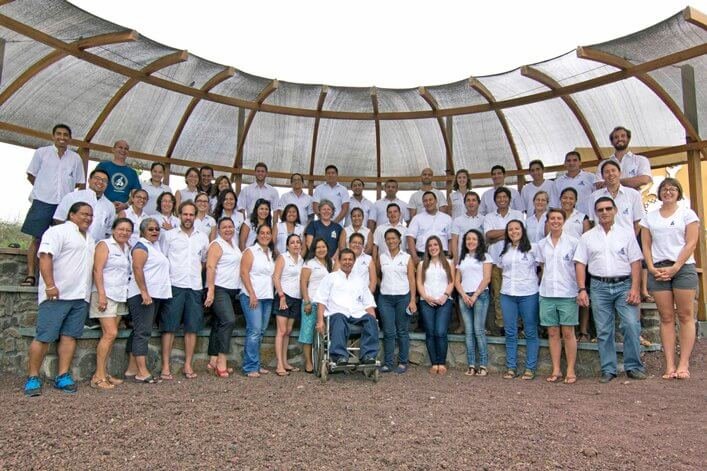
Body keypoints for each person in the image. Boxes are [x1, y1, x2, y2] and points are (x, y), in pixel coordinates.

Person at [23, 202, 94, 397]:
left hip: (80, 296)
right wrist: (50, 285)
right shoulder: (57, 232)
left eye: (90, 215)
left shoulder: (90, 238)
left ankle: (62, 375)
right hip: (57, 295)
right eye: (83, 214)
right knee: (44, 336)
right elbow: (45, 257)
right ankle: (33, 377)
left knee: (70, 336)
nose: (88, 218)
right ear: (71, 215)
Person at [574, 196, 646, 383]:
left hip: (624, 285)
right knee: (604, 330)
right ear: (596, 214)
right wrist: (582, 289)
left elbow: (635, 262)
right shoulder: (587, 237)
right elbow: (580, 263)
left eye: (608, 209)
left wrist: (635, 288)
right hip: (599, 286)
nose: (604, 212)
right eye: (600, 210)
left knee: (631, 325)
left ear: (615, 210)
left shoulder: (627, 233)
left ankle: (634, 367)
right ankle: (608, 369)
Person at [639, 178, 698, 380]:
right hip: (659, 269)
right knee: (665, 317)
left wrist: (676, 267)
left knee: (685, 315)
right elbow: (646, 245)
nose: (668, 192)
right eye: (664, 188)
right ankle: (670, 364)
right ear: (659, 192)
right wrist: (652, 267)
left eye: (672, 188)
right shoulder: (650, 217)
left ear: (678, 192)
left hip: (682, 267)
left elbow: (691, 243)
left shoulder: (687, 214)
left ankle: (684, 364)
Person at [21, 124, 85, 287]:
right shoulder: (42, 153)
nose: (62, 137)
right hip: (42, 201)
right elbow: (31, 175)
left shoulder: (75, 158)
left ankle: (58, 278)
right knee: (37, 238)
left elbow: (79, 182)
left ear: (70, 138)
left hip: (64, 205)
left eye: (65, 135)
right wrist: (43, 189)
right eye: (59, 134)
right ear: (53, 136)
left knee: (64, 240)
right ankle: (30, 275)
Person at [160, 202, 209, 380]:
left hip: (194, 285)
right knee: (169, 327)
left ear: (195, 216)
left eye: (191, 215)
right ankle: (165, 366)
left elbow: (204, 260)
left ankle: (188, 364)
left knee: (192, 328)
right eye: (185, 214)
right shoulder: (169, 235)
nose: (188, 218)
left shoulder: (203, 237)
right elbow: (163, 259)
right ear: (179, 215)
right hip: (174, 285)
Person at [124, 218, 172, 384]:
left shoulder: (154, 246)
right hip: (142, 296)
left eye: (157, 229)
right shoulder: (141, 246)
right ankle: (142, 372)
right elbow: (137, 268)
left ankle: (131, 369)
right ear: (143, 231)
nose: (155, 231)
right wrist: (144, 292)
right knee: (143, 332)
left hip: (155, 294)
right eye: (151, 229)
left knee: (140, 330)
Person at [535, 208, 579, 384]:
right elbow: (541, 268)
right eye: (552, 218)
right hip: (546, 293)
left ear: (564, 220)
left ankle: (570, 369)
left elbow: (578, 267)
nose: (555, 221)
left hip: (567, 292)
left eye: (559, 218)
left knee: (568, 333)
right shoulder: (541, 244)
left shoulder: (574, 242)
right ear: (547, 221)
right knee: (552, 332)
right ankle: (556, 369)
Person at [89, 218, 133, 390]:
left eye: (128, 230)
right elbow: (97, 270)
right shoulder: (104, 245)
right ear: (113, 230)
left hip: (120, 295)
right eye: (121, 229)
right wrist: (101, 294)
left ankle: (103, 373)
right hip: (105, 295)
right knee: (110, 333)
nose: (124, 232)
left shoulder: (127, 248)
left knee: (111, 336)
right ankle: (98, 377)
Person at [314, 249, 379, 366]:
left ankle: (368, 356)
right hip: (337, 313)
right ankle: (340, 357)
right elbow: (321, 300)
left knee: (370, 319)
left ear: (354, 262)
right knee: (339, 318)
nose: (347, 262)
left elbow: (368, 302)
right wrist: (320, 321)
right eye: (344, 259)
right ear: (339, 261)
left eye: (350, 259)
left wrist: (373, 319)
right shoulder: (330, 278)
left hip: (356, 314)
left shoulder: (359, 280)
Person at [497, 220, 540, 380]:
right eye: (510, 229)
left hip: (528, 293)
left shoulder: (533, 248)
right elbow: (501, 269)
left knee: (530, 331)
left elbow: (541, 267)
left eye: (517, 228)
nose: (513, 231)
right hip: (507, 294)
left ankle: (530, 368)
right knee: (510, 332)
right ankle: (511, 367)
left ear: (522, 230)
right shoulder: (505, 250)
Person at [204, 217, 242, 378]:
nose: (228, 229)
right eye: (224, 227)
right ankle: (221, 361)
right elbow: (210, 266)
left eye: (230, 227)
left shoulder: (233, 245)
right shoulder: (216, 244)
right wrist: (211, 291)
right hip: (219, 289)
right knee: (229, 320)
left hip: (232, 289)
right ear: (218, 230)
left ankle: (212, 359)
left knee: (219, 322)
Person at [484, 187, 525, 335]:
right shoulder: (489, 217)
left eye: (504, 197)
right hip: (494, 262)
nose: (502, 199)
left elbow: (521, 234)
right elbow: (488, 235)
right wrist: (509, 233)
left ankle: (518, 325)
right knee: (498, 294)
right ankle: (502, 325)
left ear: (509, 199)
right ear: (495, 200)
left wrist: (499, 234)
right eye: (499, 197)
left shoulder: (518, 214)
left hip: (515, 261)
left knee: (516, 293)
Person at [377, 228, 417, 373]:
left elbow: (412, 280)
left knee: (402, 331)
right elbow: (377, 275)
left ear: (399, 239)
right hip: (385, 299)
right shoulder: (382, 257)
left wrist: (412, 300)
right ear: (385, 241)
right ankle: (388, 363)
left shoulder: (406, 258)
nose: (391, 241)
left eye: (394, 238)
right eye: (388, 239)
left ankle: (403, 362)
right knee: (388, 331)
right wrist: (383, 285)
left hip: (403, 297)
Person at [454, 229, 492, 377]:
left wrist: (475, 295)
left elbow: (487, 278)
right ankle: (471, 365)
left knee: (479, 330)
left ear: (479, 241)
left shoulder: (485, 257)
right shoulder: (462, 258)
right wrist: (463, 295)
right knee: (469, 332)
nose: (471, 241)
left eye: (474, 239)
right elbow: (457, 280)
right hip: (464, 296)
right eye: (468, 239)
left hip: (480, 296)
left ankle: (483, 365)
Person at [239, 224, 276, 377]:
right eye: (262, 233)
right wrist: (252, 293)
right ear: (257, 234)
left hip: (267, 296)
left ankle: (256, 363)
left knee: (260, 332)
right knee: (254, 331)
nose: (265, 235)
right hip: (251, 296)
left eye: (268, 233)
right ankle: (250, 367)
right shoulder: (250, 251)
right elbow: (243, 272)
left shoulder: (271, 253)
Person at [416, 235, 455, 375]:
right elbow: (419, 283)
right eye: (430, 245)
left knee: (440, 332)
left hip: (444, 301)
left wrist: (445, 296)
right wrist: (426, 297)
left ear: (440, 246)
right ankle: (434, 363)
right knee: (430, 332)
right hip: (427, 301)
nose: (433, 248)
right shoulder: (422, 264)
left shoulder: (449, 263)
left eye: (435, 245)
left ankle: (442, 362)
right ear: (427, 249)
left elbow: (452, 282)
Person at [558, 187, 592, 342]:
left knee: (582, 293)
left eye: (571, 198)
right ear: (560, 199)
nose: (567, 200)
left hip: (579, 262)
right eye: (565, 197)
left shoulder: (582, 217)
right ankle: (561, 329)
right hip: (560, 263)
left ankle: (583, 331)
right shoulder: (555, 216)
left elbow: (587, 239)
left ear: (576, 200)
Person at [298, 238, 333, 373]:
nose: (321, 249)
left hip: (327, 305)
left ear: (327, 248)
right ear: (314, 249)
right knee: (307, 334)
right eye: (318, 247)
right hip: (311, 303)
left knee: (326, 334)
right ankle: (308, 362)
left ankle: (326, 360)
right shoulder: (309, 263)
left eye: (323, 246)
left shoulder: (331, 263)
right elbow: (303, 282)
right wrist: (306, 301)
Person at [53, 168, 115, 242]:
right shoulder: (72, 197)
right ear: (89, 180)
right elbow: (58, 218)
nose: (100, 182)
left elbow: (109, 231)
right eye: (97, 178)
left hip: (94, 247)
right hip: (70, 243)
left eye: (104, 180)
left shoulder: (110, 206)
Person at [273, 234, 304, 376]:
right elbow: (276, 277)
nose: (296, 245)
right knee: (281, 330)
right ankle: (279, 364)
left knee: (288, 331)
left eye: (298, 242)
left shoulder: (301, 260)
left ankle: (285, 362)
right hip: (284, 297)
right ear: (287, 245)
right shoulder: (283, 258)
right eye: (292, 243)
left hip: (296, 298)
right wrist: (281, 295)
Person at [589, 160, 644, 232]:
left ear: (620, 173)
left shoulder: (633, 194)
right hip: (602, 240)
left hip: (627, 241)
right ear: (602, 176)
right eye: (607, 172)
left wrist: (630, 240)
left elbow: (638, 222)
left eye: (613, 170)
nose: (610, 174)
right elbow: (592, 222)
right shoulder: (594, 196)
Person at [595, 126, 652, 190]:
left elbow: (644, 180)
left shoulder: (641, 160)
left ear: (628, 139)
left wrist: (612, 182)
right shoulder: (603, 164)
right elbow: (599, 185)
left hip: (632, 199)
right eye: (616, 137)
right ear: (611, 142)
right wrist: (632, 182)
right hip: (610, 199)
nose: (619, 139)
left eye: (623, 136)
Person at [406, 191, 452, 266]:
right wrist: (414, 256)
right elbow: (410, 237)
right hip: (423, 255)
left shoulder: (447, 218)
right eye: (425, 201)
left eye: (430, 200)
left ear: (436, 200)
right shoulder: (417, 218)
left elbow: (451, 238)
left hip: (443, 255)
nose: (428, 202)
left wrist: (449, 255)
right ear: (423, 203)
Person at [96, 140, 141, 212]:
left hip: (123, 211)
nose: (123, 150)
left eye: (126, 149)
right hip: (102, 208)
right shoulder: (103, 166)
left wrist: (126, 205)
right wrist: (108, 204)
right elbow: (95, 186)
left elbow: (136, 193)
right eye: (120, 147)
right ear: (113, 149)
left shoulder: (132, 172)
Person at [551, 151, 595, 216]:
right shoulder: (557, 182)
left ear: (580, 162)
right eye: (568, 161)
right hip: (565, 220)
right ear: (565, 163)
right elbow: (554, 205)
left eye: (575, 160)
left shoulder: (591, 177)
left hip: (588, 218)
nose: (571, 163)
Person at [450, 191, 484, 266]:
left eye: (473, 200)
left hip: (480, 259)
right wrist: (456, 259)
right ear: (464, 203)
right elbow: (454, 241)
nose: (471, 203)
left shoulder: (484, 220)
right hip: (463, 260)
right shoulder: (457, 220)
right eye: (468, 200)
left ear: (479, 203)